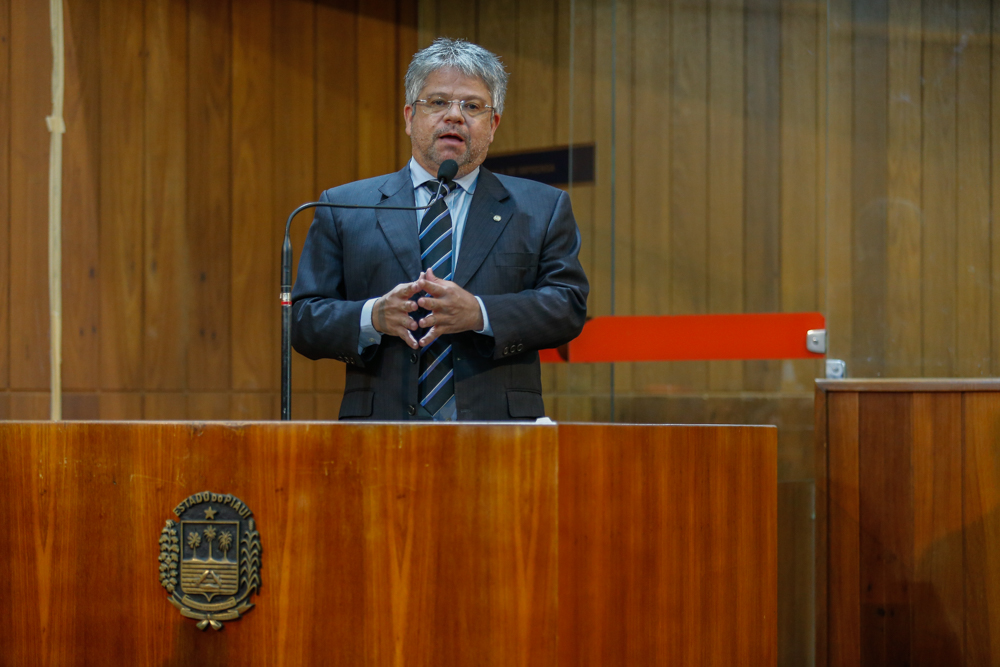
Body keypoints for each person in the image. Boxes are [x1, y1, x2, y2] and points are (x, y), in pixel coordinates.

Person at [291, 38, 589, 421]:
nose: (454, 116)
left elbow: (567, 307)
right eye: (437, 102)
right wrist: (373, 316)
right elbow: (304, 321)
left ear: (493, 124)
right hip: (379, 431)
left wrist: (479, 312)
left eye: (472, 106)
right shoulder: (343, 206)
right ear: (409, 117)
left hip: (499, 432)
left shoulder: (541, 207)